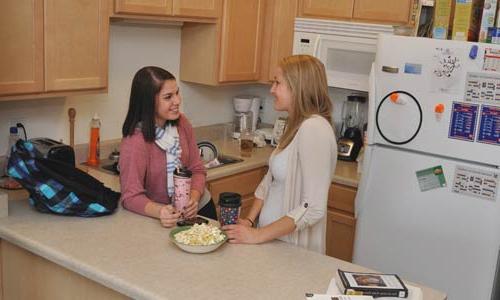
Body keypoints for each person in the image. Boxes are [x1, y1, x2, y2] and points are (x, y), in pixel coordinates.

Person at [223, 55, 337, 254]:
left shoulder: (314, 128)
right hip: (273, 242)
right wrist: (250, 222)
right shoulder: (296, 125)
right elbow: (269, 182)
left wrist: (258, 235)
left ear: (297, 86)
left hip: (294, 251)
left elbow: (313, 208)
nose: (272, 89)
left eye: (277, 83)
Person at [119, 66, 216, 227]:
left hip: (201, 208)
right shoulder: (135, 141)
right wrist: (160, 211)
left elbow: (197, 169)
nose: (177, 101)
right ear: (148, 102)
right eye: (168, 97)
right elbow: (130, 197)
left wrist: (193, 197)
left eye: (177, 93)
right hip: (162, 218)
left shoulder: (182, 123)